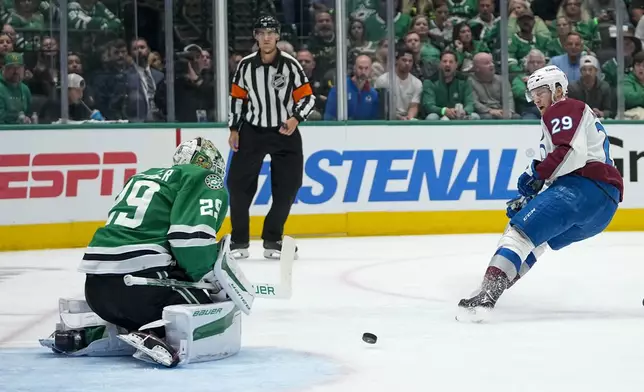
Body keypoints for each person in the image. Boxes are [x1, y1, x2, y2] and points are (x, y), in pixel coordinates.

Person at [43, 137, 256, 367]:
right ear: (206, 163)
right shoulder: (203, 177)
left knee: (132, 308)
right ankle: (159, 332)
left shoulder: (143, 176)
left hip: (95, 289)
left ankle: (88, 334)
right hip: (139, 286)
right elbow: (189, 241)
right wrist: (213, 280)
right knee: (209, 309)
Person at [457, 65, 623, 321]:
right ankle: (491, 291)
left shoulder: (563, 107)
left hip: (582, 190)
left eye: (541, 91)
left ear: (558, 89)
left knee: (518, 233)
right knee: (538, 241)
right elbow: (563, 162)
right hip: (603, 208)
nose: (536, 98)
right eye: (532, 93)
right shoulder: (571, 115)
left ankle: (487, 296)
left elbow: (568, 152)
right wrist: (529, 197)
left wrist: (536, 174)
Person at [228, 15, 315, 259]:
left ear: (278, 36)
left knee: (289, 186)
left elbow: (308, 97)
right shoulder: (245, 65)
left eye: (271, 32)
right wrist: (234, 129)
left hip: (284, 131)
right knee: (238, 186)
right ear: (256, 36)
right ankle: (239, 241)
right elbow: (237, 99)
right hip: (252, 131)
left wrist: (295, 118)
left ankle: (273, 239)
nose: (266, 37)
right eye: (261, 33)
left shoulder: (290, 64)